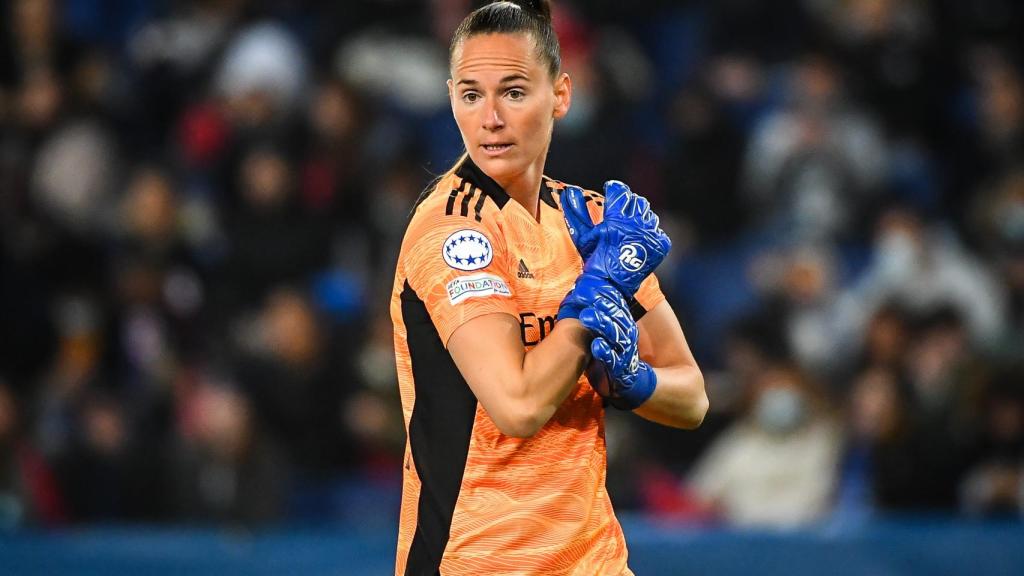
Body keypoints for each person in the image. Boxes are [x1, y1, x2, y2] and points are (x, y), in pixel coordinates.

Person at [390, 1, 708, 574]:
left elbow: (691, 397)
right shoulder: (453, 229)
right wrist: (595, 300)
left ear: (560, 95)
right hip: (479, 561)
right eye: (470, 94)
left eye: (513, 92)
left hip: (596, 560)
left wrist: (629, 381)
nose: (490, 118)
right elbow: (518, 406)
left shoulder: (587, 220)